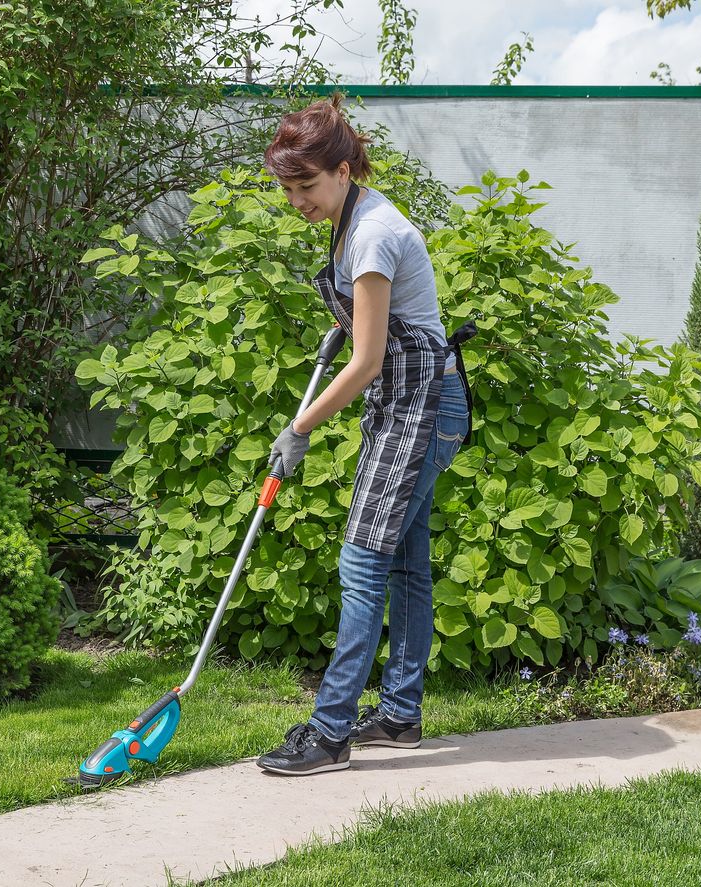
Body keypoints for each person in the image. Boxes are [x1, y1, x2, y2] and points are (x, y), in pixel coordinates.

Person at [257, 94, 475, 776]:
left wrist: (299, 427)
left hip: (422, 404)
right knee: (405, 560)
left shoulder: (374, 232)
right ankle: (402, 714)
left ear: (346, 170)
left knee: (361, 562)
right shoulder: (352, 222)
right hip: (410, 403)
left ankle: (329, 732)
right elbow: (377, 329)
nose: (298, 201)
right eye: (288, 190)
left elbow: (369, 361)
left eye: (307, 186)